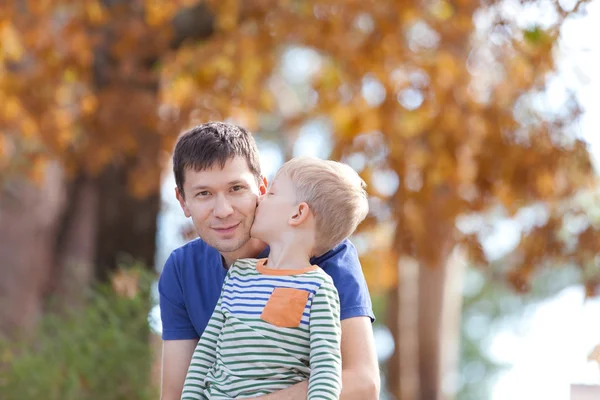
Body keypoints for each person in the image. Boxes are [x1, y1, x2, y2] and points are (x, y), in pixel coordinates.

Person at [159, 122, 380, 399]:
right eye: (204, 194)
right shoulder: (182, 270)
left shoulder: (326, 254)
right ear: (183, 202)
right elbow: (177, 393)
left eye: (236, 188)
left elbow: (363, 384)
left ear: (261, 188)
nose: (223, 210)